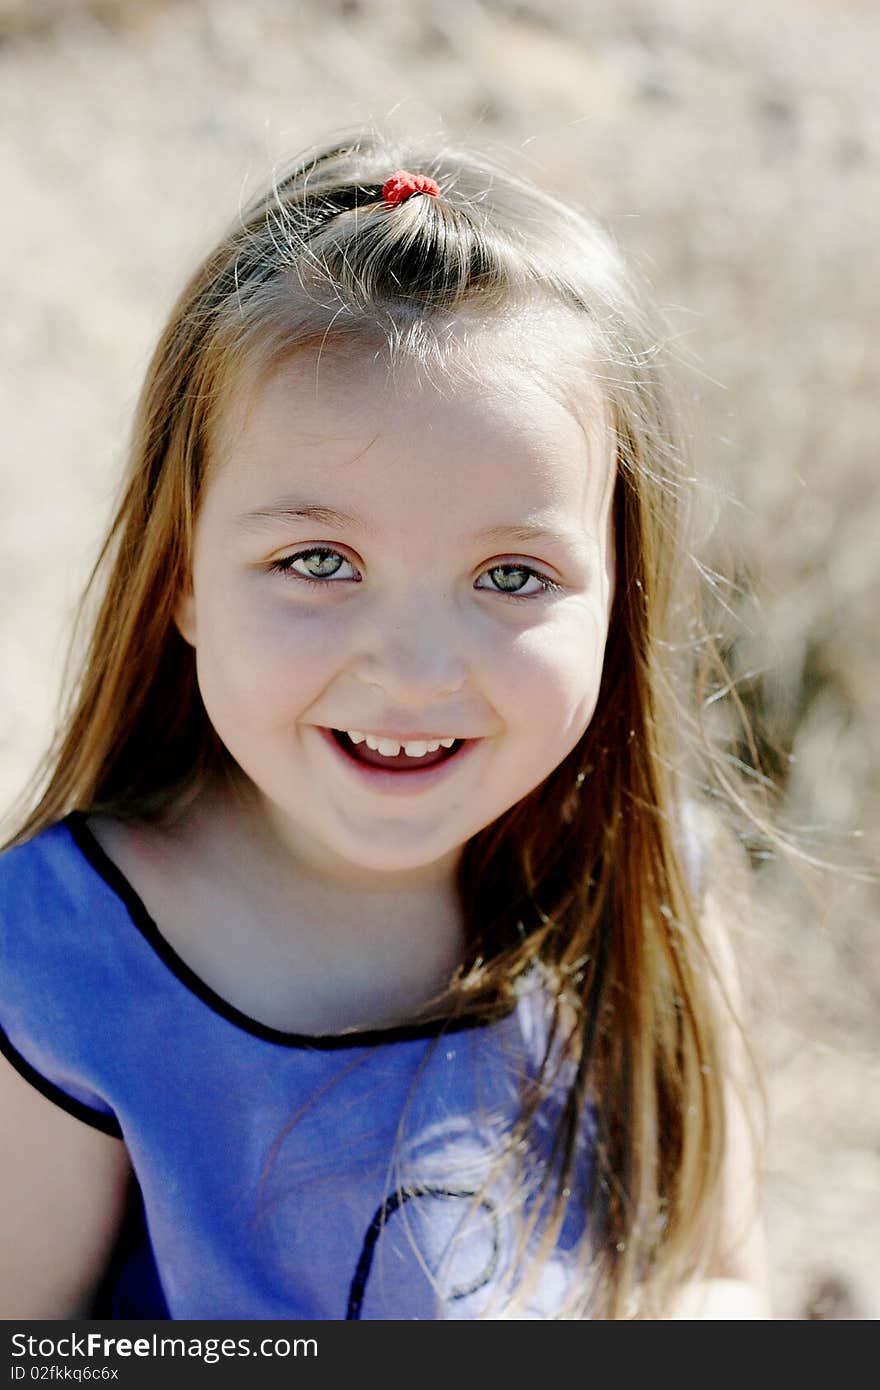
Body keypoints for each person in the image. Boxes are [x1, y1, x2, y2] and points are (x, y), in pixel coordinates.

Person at [0, 132, 769, 1320]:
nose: (412, 671)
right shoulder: (62, 958)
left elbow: (717, 1278)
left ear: (623, 598)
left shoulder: (651, 891)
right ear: (180, 581)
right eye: (318, 560)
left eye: (512, 576)